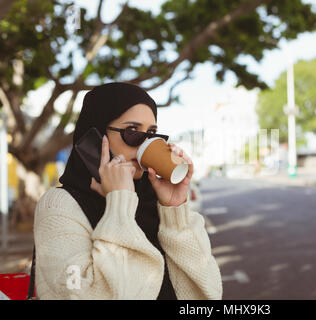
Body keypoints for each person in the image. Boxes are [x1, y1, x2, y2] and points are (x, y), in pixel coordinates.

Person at [33, 82, 223, 300]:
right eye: (132, 131)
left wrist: (175, 212)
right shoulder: (60, 205)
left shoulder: (153, 203)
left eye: (151, 133)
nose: (145, 143)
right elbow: (83, 295)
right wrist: (120, 204)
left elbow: (207, 293)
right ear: (95, 137)